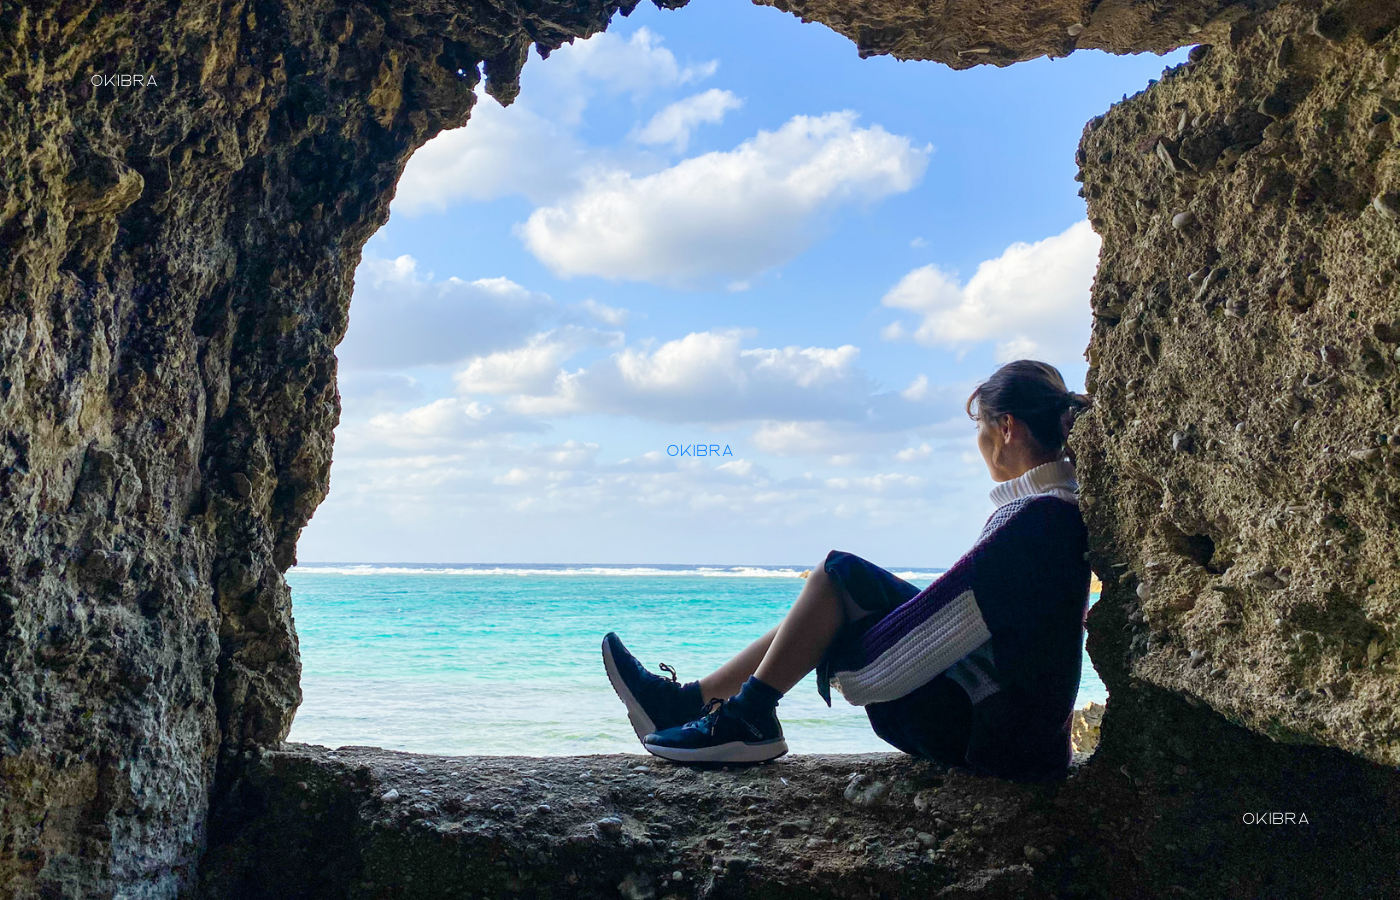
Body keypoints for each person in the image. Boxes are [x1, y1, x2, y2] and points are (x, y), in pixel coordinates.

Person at [601, 360, 1093, 782]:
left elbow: (922, 641)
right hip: (1015, 738)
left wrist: (836, 648)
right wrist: (825, 630)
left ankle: (748, 718)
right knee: (830, 598)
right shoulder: (1048, 512)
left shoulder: (1038, 521)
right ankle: (696, 704)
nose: (979, 442)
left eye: (980, 428)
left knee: (838, 576)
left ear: (1006, 427)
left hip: (995, 741)